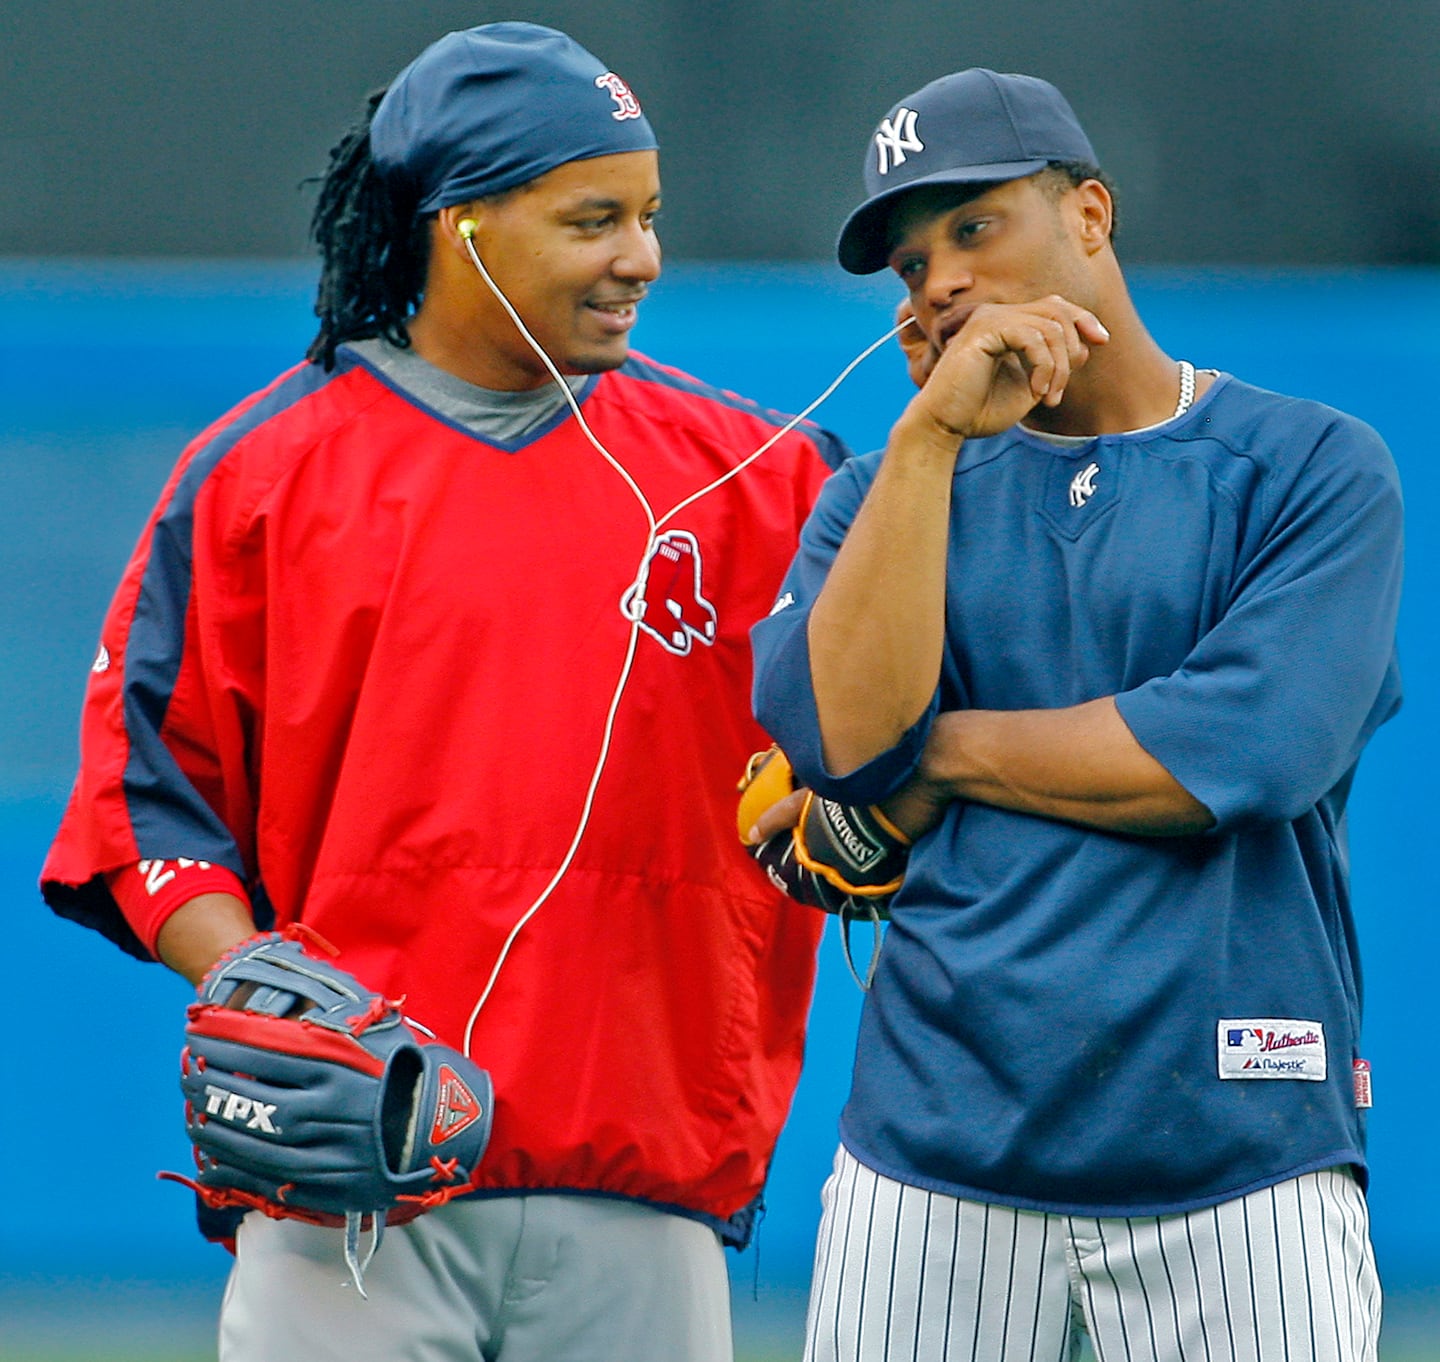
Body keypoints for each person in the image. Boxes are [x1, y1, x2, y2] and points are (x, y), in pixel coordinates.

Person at [41, 23, 850, 1361]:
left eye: (649, 216)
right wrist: (251, 975)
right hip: (349, 1187)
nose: (641, 255)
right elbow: (142, 805)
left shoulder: (756, 474)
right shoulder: (260, 478)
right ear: (459, 225)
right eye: (594, 217)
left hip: (641, 1190)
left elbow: (890, 716)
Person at [750, 68, 1401, 1361]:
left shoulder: (1314, 467)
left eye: (974, 227)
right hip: (932, 1162)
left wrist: (939, 760)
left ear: (1090, 217)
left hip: (1245, 1159)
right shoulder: (884, 497)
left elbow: (1242, 752)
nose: (935, 279)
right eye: (910, 258)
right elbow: (838, 746)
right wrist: (933, 440)